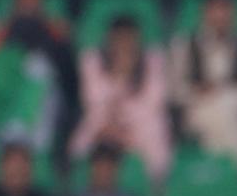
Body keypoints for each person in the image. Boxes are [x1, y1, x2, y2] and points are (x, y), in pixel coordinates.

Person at [169, 0, 237, 171]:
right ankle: (235, 175)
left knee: (228, 109)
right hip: (197, 111)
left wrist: (225, 92)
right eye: (215, 8)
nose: (221, 15)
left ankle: (223, 176)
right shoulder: (183, 45)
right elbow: (176, 91)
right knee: (222, 119)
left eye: (225, 8)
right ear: (204, 12)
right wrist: (198, 92)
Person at [69, 15, 171, 181]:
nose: (124, 44)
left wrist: (125, 124)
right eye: (119, 39)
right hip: (103, 120)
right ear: (110, 39)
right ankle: (77, 181)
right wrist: (118, 76)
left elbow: (154, 100)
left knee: (156, 129)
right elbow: (92, 99)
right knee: (81, 142)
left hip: (140, 122)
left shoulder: (153, 60)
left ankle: (157, 186)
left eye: (129, 39)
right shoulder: (91, 60)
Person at [0, 0, 80, 152]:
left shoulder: (54, 25)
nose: (29, 0)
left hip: (43, 100)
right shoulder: (1, 26)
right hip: (9, 98)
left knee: (40, 66)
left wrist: (50, 26)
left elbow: (68, 67)